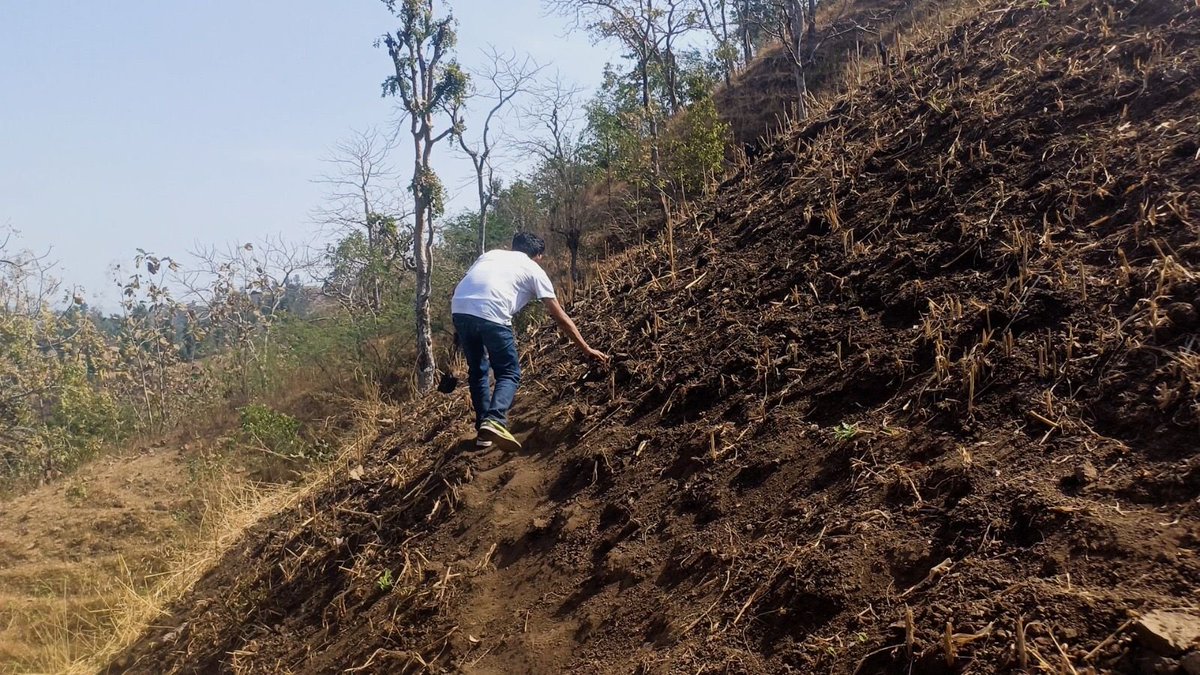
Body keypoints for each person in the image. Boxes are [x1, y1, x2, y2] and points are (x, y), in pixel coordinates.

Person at [451, 232, 608, 450]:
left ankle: (483, 433)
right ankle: (495, 420)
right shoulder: (534, 269)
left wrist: (459, 331)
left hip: (459, 308)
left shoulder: (490, 255)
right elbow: (559, 316)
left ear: (513, 247)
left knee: (477, 371)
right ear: (538, 255)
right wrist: (586, 348)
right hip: (492, 314)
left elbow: (468, 285)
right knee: (509, 372)